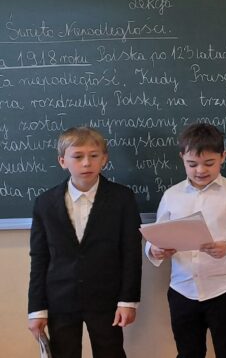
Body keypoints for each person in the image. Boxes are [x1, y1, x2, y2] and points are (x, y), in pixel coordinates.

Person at [146, 123, 226, 358]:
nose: (200, 170)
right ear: (182, 158)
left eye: (209, 163)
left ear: (223, 156)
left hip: (224, 290)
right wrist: (155, 249)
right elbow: (156, 235)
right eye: (192, 164)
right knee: (188, 353)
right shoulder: (171, 195)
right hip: (182, 289)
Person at [27, 126, 142, 358]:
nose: (87, 163)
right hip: (60, 299)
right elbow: (39, 258)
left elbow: (131, 252)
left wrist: (128, 301)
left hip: (106, 298)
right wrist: (36, 310)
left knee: (110, 352)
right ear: (62, 161)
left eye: (94, 155)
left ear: (104, 159)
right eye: (78, 157)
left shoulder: (122, 198)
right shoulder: (45, 203)